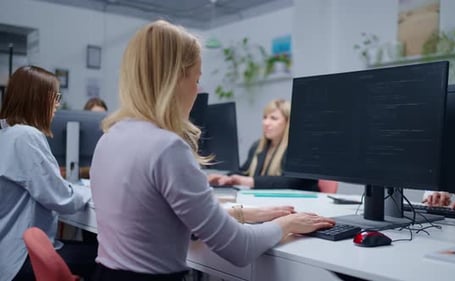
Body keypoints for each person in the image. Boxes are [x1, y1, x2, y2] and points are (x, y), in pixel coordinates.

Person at [89, 20, 334, 280]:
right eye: (197, 79)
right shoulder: (166, 147)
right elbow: (240, 248)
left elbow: (160, 215)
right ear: (175, 81)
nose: (198, 90)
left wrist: (251, 213)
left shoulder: (110, 137)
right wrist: (288, 224)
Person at [0, 65, 96, 281]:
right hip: (21, 259)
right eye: (55, 97)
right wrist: (92, 191)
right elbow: (60, 198)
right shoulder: (26, 137)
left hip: (6, 256)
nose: (57, 104)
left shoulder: (6, 134)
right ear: (38, 99)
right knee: (102, 258)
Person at [208, 99, 319, 191]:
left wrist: (250, 181)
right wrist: (225, 178)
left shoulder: (300, 149)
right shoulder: (257, 146)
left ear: (288, 123)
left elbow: (292, 181)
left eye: (273, 118)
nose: (266, 123)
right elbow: (244, 172)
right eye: (265, 117)